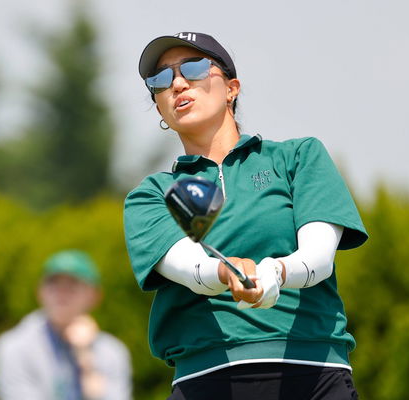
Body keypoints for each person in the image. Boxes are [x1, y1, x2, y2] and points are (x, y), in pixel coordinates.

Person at [124, 32, 368, 400]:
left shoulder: (298, 158)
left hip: (315, 374)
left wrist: (275, 272)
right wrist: (226, 272)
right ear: (160, 110)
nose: (176, 83)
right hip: (206, 381)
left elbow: (319, 260)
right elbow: (190, 270)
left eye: (192, 68)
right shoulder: (152, 194)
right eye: (160, 79)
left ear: (231, 89)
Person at [0, 250, 132, 400]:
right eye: (53, 284)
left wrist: (87, 361)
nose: (62, 293)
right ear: (40, 291)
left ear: (94, 295)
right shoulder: (14, 346)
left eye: (73, 285)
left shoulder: (112, 352)